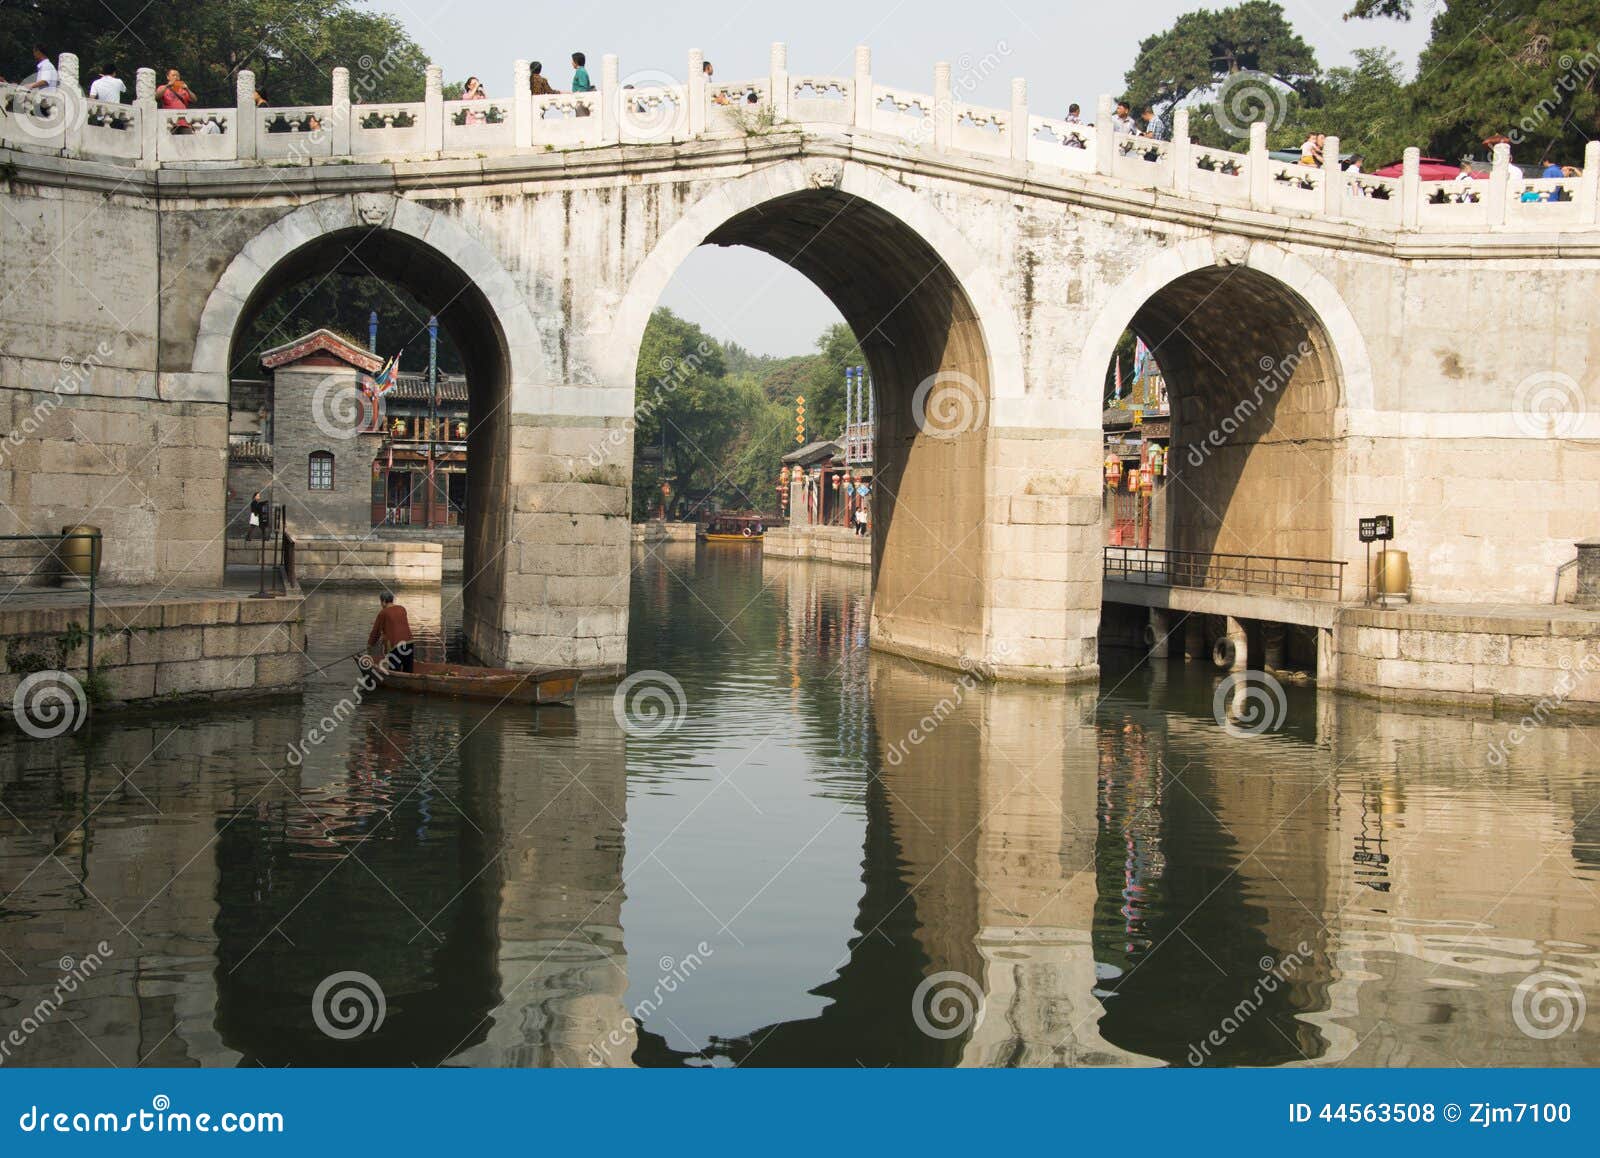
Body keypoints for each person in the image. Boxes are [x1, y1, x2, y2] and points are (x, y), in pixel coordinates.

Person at [367, 591, 414, 673]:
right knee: (408, 669)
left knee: (395, 670)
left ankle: (396, 682)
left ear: (384, 601)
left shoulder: (383, 612)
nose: (381, 604)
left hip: (395, 646)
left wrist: (370, 644)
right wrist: (385, 637)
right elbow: (397, 626)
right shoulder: (402, 609)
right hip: (409, 642)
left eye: (381, 602)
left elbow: (376, 631)